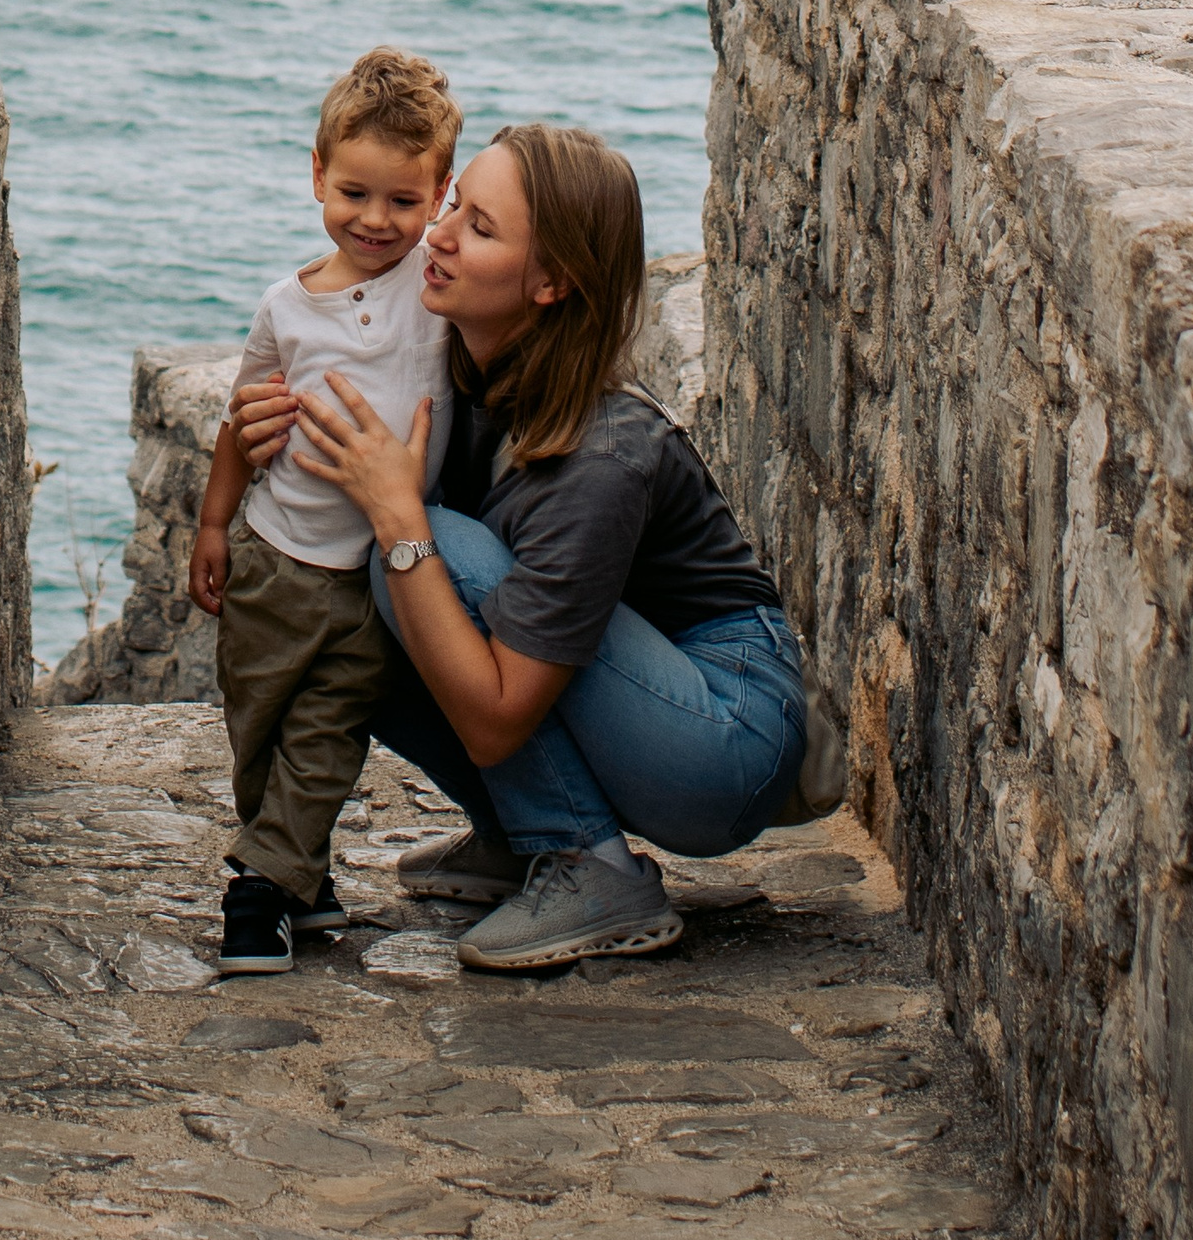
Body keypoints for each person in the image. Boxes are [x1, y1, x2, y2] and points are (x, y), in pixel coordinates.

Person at [232, 122, 810, 971]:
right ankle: (523, 835)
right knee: (362, 589)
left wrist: (398, 516)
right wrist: (265, 425)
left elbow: (497, 720)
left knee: (423, 550)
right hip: (619, 683)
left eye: (480, 228)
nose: (438, 235)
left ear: (551, 281)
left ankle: (589, 864)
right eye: (454, 206)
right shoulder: (460, 364)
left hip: (725, 734)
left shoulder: (603, 454)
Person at [186, 48, 461, 973]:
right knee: (258, 729)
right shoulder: (285, 309)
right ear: (317, 175)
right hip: (274, 560)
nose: (376, 219)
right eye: (354, 193)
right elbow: (243, 422)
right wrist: (214, 524)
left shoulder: (437, 291)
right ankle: (297, 875)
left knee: (326, 735)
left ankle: (258, 892)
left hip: (374, 575)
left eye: (404, 200)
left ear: (440, 194)